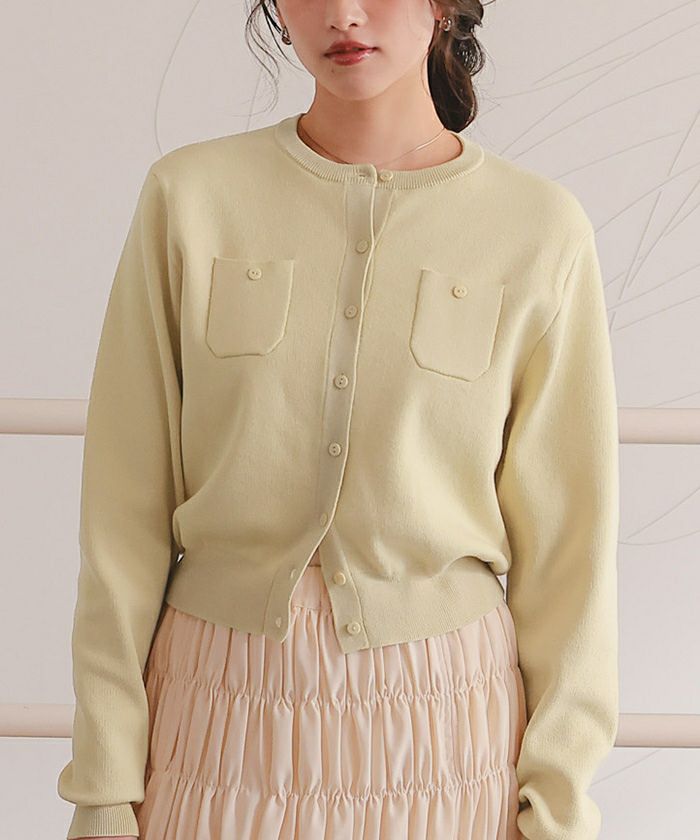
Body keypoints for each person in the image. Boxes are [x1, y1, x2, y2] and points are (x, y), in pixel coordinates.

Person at [57, 1, 621, 838]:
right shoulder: (191, 197)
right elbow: (121, 518)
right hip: (214, 720)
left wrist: (557, 805)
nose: (344, 15)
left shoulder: (539, 229)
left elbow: (570, 555)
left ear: (445, 7)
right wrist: (105, 787)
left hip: (446, 729)